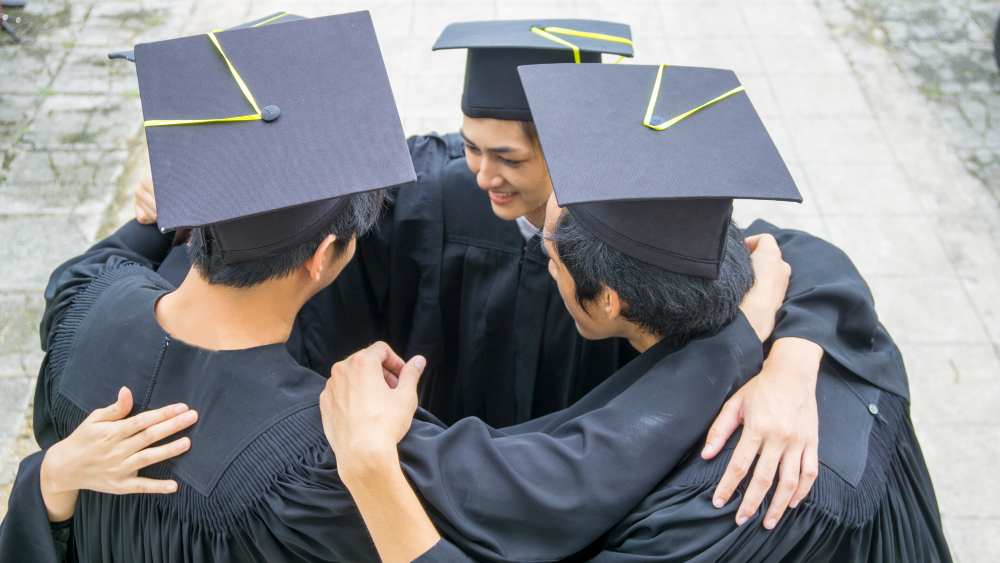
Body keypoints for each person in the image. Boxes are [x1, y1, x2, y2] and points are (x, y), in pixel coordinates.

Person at [0, 13, 790, 563]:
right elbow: (551, 478)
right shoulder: (323, 457)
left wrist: (47, 480)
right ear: (327, 257)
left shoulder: (81, 307)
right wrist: (737, 346)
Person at [140, 17, 896, 524]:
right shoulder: (439, 187)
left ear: (571, 151)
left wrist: (794, 362)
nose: (483, 175)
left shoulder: (637, 217)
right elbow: (308, 191)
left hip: (587, 480)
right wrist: (193, 185)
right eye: (472, 144)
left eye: (509, 157)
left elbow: (801, 261)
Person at [316, 62, 951, 562]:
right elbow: (806, 258)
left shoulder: (723, 497)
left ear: (608, 301)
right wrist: (791, 349)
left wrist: (372, 460)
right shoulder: (840, 335)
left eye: (553, 258)